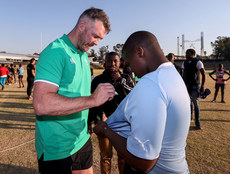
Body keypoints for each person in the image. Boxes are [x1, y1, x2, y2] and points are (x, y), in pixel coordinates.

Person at [93, 31, 191, 174]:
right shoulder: (172, 74)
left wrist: (105, 130)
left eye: (130, 61)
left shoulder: (151, 82)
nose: (131, 68)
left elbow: (143, 162)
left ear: (139, 52)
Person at [33, 7, 113, 174]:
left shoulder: (83, 54)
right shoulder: (55, 52)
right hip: (57, 147)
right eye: (95, 36)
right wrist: (93, 100)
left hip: (81, 139)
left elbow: (78, 94)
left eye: (100, 38)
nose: (97, 42)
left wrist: (94, 117)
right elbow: (41, 104)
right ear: (82, 26)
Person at [88, 52, 134, 174]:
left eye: (115, 61)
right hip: (104, 123)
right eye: (109, 61)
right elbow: (92, 103)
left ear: (120, 63)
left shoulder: (126, 78)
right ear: (105, 63)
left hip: (123, 125)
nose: (112, 64)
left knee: (123, 156)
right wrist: (93, 121)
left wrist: (119, 80)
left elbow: (133, 97)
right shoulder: (98, 80)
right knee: (106, 156)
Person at [182, 49, 205, 130]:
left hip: (195, 85)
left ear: (192, 54)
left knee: (195, 103)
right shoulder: (184, 62)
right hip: (187, 85)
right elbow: (183, 74)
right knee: (189, 103)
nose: (186, 55)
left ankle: (197, 123)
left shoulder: (198, 62)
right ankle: (189, 119)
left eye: (187, 53)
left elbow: (203, 74)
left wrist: (202, 86)